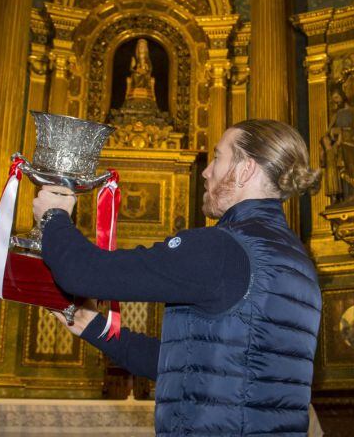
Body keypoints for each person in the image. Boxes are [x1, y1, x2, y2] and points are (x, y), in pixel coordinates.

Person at [33, 119, 323, 436]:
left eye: (218, 157)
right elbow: (193, 366)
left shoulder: (220, 249)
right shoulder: (300, 261)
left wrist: (54, 215)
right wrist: (97, 329)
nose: (206, 171)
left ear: (245, 170)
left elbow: (82, 272)